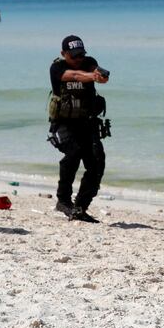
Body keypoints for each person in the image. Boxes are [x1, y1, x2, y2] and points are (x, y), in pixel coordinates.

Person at [47, 35, 109, 223]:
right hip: (63, 124)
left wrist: (101, 75)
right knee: (73, 154)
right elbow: (74, 76)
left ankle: (80, 207)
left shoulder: (89, 62)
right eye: (74, 56)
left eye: (81, 54)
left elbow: (95, 71)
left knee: (97, 162)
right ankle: (63, 201)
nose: (78, 59)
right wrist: (92, 77)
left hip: (87, 124)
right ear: (63, 54)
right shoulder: (57, 68)